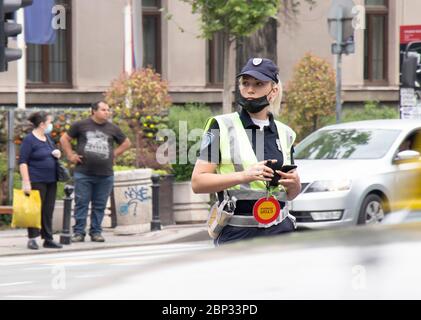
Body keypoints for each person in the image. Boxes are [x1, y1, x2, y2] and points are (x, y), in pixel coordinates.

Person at [192, 58, 301, 245]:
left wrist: (295, 185)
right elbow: (198, 182)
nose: (250, 90)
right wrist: (244, 176)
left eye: (259, 84)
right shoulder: (220, 126)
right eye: (245, 83)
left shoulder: (286, 133)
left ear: (273, 91)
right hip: (238, 235)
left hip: (280, 232)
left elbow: (289, 194)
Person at [60, 101, 131, 243]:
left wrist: (114, 154)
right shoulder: (80, 125)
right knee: (81, 203)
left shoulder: (113, 128)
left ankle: (96, 232)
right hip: (84, 172)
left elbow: (126, 143)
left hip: (105, 174)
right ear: (93, 111)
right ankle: (79, 232)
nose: (107, 112)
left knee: (100, 205)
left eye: (108, 110)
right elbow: (64, 139)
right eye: (104, 110)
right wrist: (70, 155)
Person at [19, 111, 63, 250]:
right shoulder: (29, 140)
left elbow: (52, 153)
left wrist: (57, 154)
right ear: (42, 124)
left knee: (47, 210)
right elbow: (23, 162)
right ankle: (32, 239)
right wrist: (26, 181)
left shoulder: (48, 138)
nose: (51, 125)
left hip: (51, 179)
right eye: (49, 122)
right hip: (36, 179)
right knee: (34, 210)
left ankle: (48, 238)